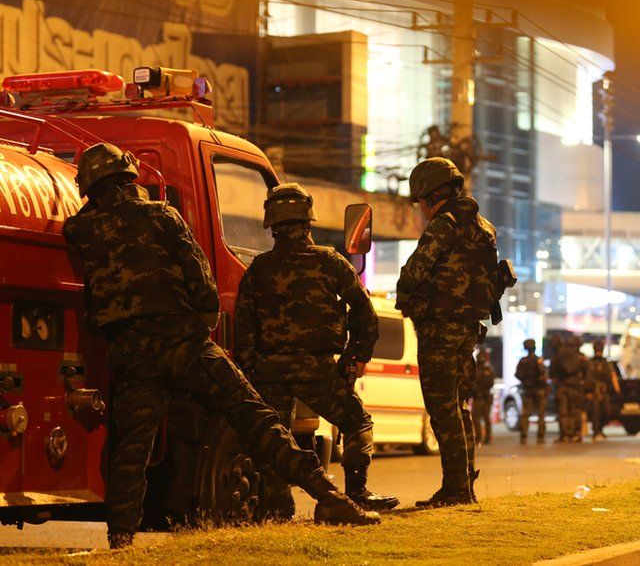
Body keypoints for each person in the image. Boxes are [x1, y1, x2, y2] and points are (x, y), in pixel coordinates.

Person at [62, 144, 377, 548]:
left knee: (131, 450)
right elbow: (202, 280)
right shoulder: (161, 216)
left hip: (133, 355)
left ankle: (121, 536)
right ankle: (329, 497)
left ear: (92, 190)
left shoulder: (83, 229)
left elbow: (80, 222)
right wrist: (200, 328)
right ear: (130, 180)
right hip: (187, 346)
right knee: (257, 418)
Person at [234, 183, 399, 517]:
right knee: (357, 421)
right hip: (318, 369)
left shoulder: (258, 270)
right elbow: (364, 313)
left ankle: (277, 508)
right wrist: (355, 356)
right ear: (308, 221)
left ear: (272, 224)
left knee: (274, 438)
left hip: (270, 372)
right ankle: (356, 494)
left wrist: (251, 373)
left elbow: (244, 330)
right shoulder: (330, 262)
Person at [396, 157, 500, 508]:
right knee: (459, 405)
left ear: (431, 194)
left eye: (421, 201)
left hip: (439, 327)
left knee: (442, 408)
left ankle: (455, 489)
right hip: (469, 327)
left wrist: (406, 299)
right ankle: (464, 483)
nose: (421, 209)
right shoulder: (483, 226)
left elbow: (415, 270)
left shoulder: (445, 224)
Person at [550, 335, 588, 442]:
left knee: (563, 412)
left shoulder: (558, 355)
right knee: (575, 410)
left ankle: (565, 434)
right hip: (576, 387)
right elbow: (587, 373)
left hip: (562, 387)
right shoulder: (580, 357)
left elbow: (552, 373)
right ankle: (576, 433)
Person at [515, 338, 548, 445]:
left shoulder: (523, 361)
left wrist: (525, 380)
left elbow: (517, 374)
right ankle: (540, 437)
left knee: (526, 414)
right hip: (539, 390)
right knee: (541, 414)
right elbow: (544, 373)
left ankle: (523, 437)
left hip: (527, 390)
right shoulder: (539, 360)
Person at [587, 339, 620, 441]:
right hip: (594, 392)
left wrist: (617, 390)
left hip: (605, 391)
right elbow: (586, 378)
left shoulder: (606, 363)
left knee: (606, 412)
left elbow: (613, 376)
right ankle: (596, 432)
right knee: (595, 412)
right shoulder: (590, 363)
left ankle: (600, 430)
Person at [471, 348, 496, 445]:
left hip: (479, 397)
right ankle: (487, 437)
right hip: (486, 397)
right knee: (486, 418)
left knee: (476, 417)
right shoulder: (488, 369)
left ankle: (479, 437)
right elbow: (492, 382)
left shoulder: (475, 369)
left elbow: (471, 383)